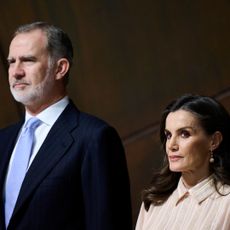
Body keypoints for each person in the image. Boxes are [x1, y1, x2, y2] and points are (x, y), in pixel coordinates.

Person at [0, 21, 132, 230]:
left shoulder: (94, 138)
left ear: (60, 68)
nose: (15, 72)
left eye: (27, 60)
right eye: (11, 61)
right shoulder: (3, 140)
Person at [135, 94, 230, 230]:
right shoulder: (154, 200)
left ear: (213, 141)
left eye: (184, 134)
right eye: (168, 135)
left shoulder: (227, 204)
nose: (171, 145)